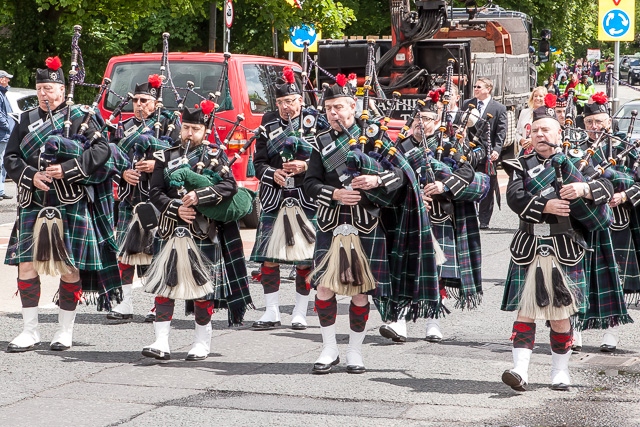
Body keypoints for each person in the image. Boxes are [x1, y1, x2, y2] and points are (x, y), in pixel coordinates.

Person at [5, 56, 119, 352]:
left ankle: (64, 330)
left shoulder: (81, 116)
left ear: (62, 89)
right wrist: (31, 176)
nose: (44, 94)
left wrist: (67, 170)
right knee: (26, 265)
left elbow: (102, 150)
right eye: (40, 88)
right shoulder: (26, 119)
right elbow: (12, 159)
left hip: (69, 200)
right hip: (35, 200)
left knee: (69, 268)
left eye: (49, 89)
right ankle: (30, 331)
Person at [500, 105, 612, 391]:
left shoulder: (576, 161)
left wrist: (583, 189)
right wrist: (545, 205)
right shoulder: (519, 164)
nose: (540, 134)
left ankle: (559, 372)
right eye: (535, 130)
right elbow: (515, 198)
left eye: (546, 129)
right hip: (530, 244)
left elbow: (607, 187)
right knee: (525, 311)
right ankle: (519, 370)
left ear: (559, 133)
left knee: (559, 316)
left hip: (564, 246)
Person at [303, 75, 404, 374]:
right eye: (329, 108)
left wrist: (376, 180)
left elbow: (400, 175)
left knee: (361, 292)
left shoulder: (374, 136)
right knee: (323, 288)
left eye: (339, 107)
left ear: (353, 106)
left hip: (365, 224)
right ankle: (328, 348)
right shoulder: (320, 143)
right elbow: (309, 183)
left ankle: (354, 352)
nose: (334, 113)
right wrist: (334, 193)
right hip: (331, 222)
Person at [142, 103, 253, 361]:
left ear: (206, 130)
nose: (189, 133)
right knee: (165, 285)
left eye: (196, 129)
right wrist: (175, 208)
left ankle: (202, 342)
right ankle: (161, 342)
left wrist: (199, 195)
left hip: (203, 231)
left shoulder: (215, 155)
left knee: (203, 288)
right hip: (172, 229)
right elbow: (155, 192)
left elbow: (229, 186)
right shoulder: (164, 156)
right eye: (186, 127)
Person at [379, 89, 489, 343]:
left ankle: (433, 321)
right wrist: (413, 195)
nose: (421, 123)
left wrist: (444, 186)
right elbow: (389, 179)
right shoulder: (399, 148)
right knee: (406, 269)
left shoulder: (450, 145)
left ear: (437, 120)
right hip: (409, 218)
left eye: (427, 118)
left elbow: (470, 175)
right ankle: (399, 323)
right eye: (417, 118)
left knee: (436, 272)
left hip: (440, 218)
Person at [250, 67, 326, 331]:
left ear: (300, 100)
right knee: (269, 258)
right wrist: (274, 173)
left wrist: (305, 166)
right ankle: (271, 312)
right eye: (281, 103)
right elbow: (257, 164)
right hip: (276, 197)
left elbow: (326, 158)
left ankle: (300, 312)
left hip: (306, 197)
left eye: (290, 102)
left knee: (305, 260)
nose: (285, 107)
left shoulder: (317, 122)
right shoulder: (268, 123)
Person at [106, 75, 180, 323]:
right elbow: (109, 159)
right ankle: (125, 303)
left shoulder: (170, 123)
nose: (138, 105)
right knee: (125, 252)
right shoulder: (123, 127)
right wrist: (123, 172)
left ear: (155, 103)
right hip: (130, 198)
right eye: (136, 100)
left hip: (157, 198)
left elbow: (181, 156)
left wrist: (157, 164)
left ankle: (154, 304)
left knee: (155, 253)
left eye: (144, 100)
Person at [571, 94, 634, 353]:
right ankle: (574, 330)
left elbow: (635, 180)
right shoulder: (574, 150)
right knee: (577, 277)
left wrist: (623, 194)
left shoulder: (623, 147)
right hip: (582, 222)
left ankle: (611, 331)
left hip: (615, 222)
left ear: (609, 121)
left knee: (612, 277)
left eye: (599, 121)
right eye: (589, 122)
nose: (594, 127)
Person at [463, 77, 507, 229]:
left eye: (479, 87)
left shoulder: (498, 108)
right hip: (470, 151)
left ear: (488, 89)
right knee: (469, 181)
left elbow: (501, 132)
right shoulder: (468, 104)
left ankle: (484, 220)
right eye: (474, 86)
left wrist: (496, 150)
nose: (475, 89)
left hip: (489, 153)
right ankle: (470, 216)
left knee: (487, 186)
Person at [515, 86, 548, 156]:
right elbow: (517, 132)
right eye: (535, 96)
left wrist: (533, 141)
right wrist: (521, 140)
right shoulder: (524, 112)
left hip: (540, 153)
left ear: (545, 98)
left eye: (540, 96)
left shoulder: (548, 114)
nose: (537, 98)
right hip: (524, 153)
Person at [0, 70, 14, 200]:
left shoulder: (3, 94)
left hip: (4, 133)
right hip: (2, 134)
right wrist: (7, 126)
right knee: (0, 162)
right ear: (1, 79)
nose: (8, 80)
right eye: (6, 78)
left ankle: (1, 190)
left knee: (3, 163)